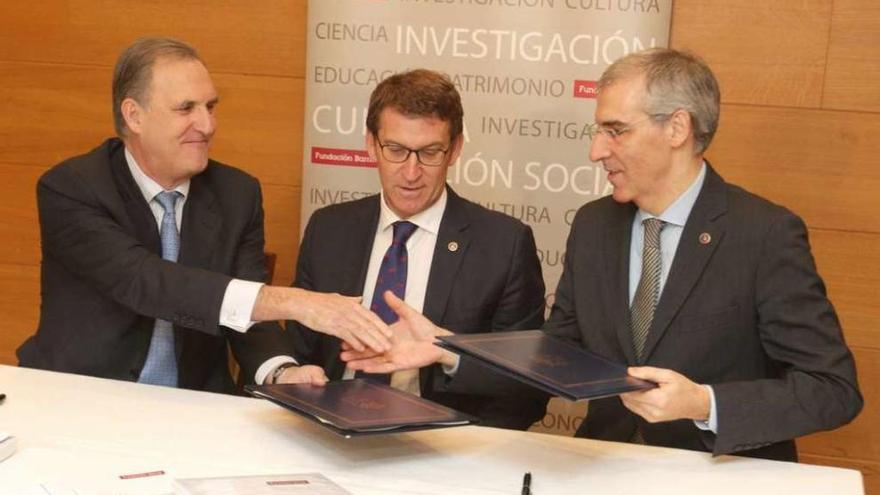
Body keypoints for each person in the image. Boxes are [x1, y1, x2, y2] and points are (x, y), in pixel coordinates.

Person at [345, 49, 862, 460]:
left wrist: (705, 404)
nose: (595, 150)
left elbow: (833, 389)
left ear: (677, 128)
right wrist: (449, 350)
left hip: (716, 471)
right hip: (605, 466)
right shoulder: (595, 226)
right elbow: (555, 352)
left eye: (616, 131)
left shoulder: (763, 233)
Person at [16, 37, 390, 393]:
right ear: (134, 116)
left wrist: (281, 371)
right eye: (186, 109)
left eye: (210, 107)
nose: (208, 125)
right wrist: (296, 302)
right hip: (78, 398)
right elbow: (147, 281)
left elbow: (246, 314)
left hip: (192, 408)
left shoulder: (236, 194)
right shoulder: (72, 188)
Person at [284, 69, 548, 429]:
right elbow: (299, 348)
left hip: (443, 448)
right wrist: (297, 376)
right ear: (370, 144)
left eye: (429, 152)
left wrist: (448, 353)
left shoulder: (503, 244)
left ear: (454, 149)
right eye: (395, 150)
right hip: (327, 430)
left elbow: (528, 391)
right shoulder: (329, 229)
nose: (411, 173)